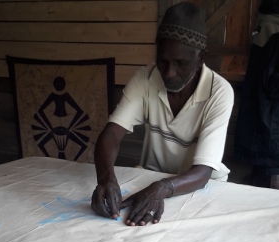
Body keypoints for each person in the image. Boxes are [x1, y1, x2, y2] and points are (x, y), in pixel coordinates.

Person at [91, 2, 234, 226]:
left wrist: (163, 187)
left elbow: (203, 172)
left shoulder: (219, 92)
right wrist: (105, 179)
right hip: (152, 182)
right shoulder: (145, 79)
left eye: (181, 63)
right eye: (163, 61)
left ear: (201, 58)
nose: (169, 73)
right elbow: (111, 134)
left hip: (200, 188)